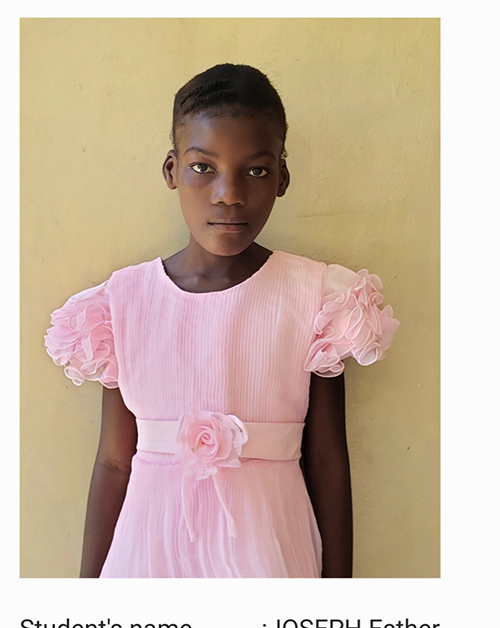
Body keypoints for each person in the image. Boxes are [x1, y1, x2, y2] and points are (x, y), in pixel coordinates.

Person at [45, 64, 400, 579]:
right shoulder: (122, 303)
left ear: (281, 177)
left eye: (255, 170)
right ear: (172, 171)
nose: (228, 194)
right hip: (148, 560)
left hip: (269, 556)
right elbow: (114, 463)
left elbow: (325, 461)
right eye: (203, 167)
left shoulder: (317, 299)